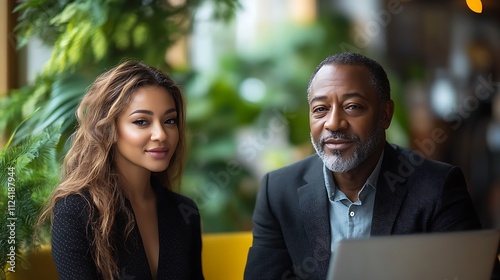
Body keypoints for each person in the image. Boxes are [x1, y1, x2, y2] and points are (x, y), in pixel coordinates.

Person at [243, 52, 493, 280]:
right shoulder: (277, 191)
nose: (334, 123)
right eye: (320, 109)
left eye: (353, 107)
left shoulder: (438, 187)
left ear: (385, 114)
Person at [38, 61, 204, 280]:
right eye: (142, 121)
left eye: (169, 120)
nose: (161, 134)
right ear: (109, 128)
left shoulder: (184, 211)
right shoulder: (75, 211)